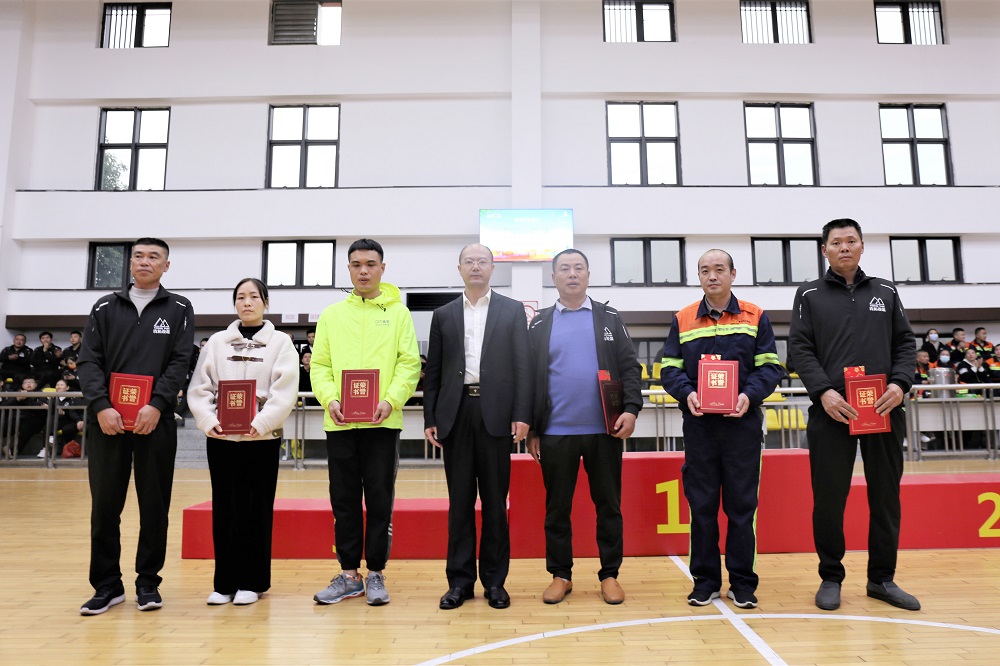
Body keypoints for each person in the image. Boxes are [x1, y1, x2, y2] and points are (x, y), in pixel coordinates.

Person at [789, 218, 919, 612]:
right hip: (832, 411)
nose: (844, 247)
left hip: (883, 408)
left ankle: (882, 579)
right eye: (836, 242)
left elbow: (905, 343)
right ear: (824, 250)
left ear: (862, 246)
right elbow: (799, 349)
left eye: (851, 240)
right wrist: (823, 391)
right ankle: (831, 577)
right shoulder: (809, 294)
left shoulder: (886, 291)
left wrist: (900, 384)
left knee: (885, 497)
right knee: (829, 499)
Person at [76, 238, 195, 616]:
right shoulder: (104, 306)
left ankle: (148, 583)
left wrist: (158, 404)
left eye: (153, 257)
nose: (145, 261)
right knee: (104, 507)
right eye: (139, 256)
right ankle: (107, 585)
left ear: (166, 266)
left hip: (155, 423)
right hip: (108, 423)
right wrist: (101, 406)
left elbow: (180, 361)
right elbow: (88, 361)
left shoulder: (179, 308)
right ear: (130, 263)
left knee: (154, 506)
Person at [660, 249, 782, 609]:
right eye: (704, 270)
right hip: (699, 428)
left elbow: (770, 367)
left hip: (742, 426)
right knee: (702, 507)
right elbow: (669, 368)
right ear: (698, 277)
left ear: (732, 274)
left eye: (718, 269)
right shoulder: (682, 318)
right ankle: (705, 581)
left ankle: (742, 583)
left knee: (742, 508)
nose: (711, 276)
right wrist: (688, 394)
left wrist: (748, 395)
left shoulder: (755, 315)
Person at [525, 249, 642, 605]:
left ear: (588, 275)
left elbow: (630, 367)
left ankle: (610, 575)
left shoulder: (609, 317)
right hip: (555, 432)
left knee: (608, 506)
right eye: (565, 268)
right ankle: (561, 575)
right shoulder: (540, 323)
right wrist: (533, 429)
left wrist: (632, 410)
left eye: (579, 268)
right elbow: (530, 378)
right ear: (554, 278)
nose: (572, 274)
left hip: (605, 431)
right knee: (557, 509)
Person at [310, 238, 421, 607]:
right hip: (340, 423)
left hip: (382, 424)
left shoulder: (398, 314)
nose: (363, 271)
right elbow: (320, 365)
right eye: (356, 264)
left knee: (379, 500)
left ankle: (375, 572)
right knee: (343, 500)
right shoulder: (331, 315)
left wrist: (391, 400)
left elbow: (409, 363)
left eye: (371, 264)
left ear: (382, 269)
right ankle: (348, 575)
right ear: (348, 269)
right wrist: (330, 399)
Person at [423, 244, 532, 611]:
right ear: (459, 269)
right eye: (468, 261)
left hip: (496, 415)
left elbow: (523, 366)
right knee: (460, 504)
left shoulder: (512, 310)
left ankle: (495, 583)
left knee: (495, 504)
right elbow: (434, 371)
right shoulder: (443, 315)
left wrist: (522, 413)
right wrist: (431, 418)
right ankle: (459, 583)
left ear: (492, 268)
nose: (475, 266)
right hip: (456, 415)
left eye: (482, 261)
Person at [188, 278, 299, 607]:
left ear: (266, 302)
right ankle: (225, 582)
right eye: (240, 297)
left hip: (260, 439)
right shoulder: (217, 342)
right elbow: (200, 388)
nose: (246, 302)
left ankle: (253, 581)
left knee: (256, 509)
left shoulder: (281, 342)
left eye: (253, 296)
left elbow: (285, 390)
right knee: (225, 509)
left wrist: (262, 422)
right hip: (222, 438)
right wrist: (208, 420)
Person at [1, 375, 47, 456]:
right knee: (7, 424)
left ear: (36, 385)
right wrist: (17, 399)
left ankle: (14, 450)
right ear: (22, 385)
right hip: (18, 418)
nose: (28, 384)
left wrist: (27, 399)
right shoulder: (17, 395)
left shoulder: (41, 395)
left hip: (34, 420)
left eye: (31, 382)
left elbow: (41, 409)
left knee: (26, 427)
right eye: (26, 382)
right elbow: (4, 406)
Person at [50, 378, 85, 458]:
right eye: (57, 385)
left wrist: (80, 420)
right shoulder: (53, 399)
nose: (59, 386)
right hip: (60, 420)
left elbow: (76, 412)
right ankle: (48, 444)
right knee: (48, 425)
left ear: (67, 388)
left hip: (73, 420)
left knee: (67, 429)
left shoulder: (73, 398)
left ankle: (68, 448)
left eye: (61, 385)